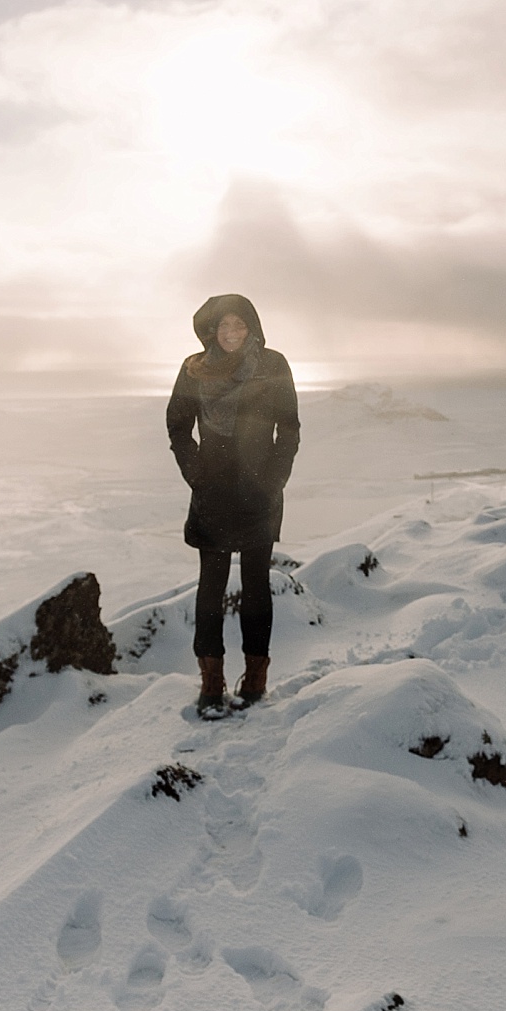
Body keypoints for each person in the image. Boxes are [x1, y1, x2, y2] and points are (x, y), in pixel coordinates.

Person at [165, 293, 300, 716]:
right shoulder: (194, 369)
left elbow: (289, 427)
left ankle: (256, 680)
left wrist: (274, 478)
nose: (231, 334)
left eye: (239, 326)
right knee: (211, 588)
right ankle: (211, 682)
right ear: (210, 330)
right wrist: (196, 473)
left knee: (257, 587)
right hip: (214, 492)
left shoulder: (273, 364)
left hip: (259, 492)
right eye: (223, 327)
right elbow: (178, 427)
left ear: (252, 327)